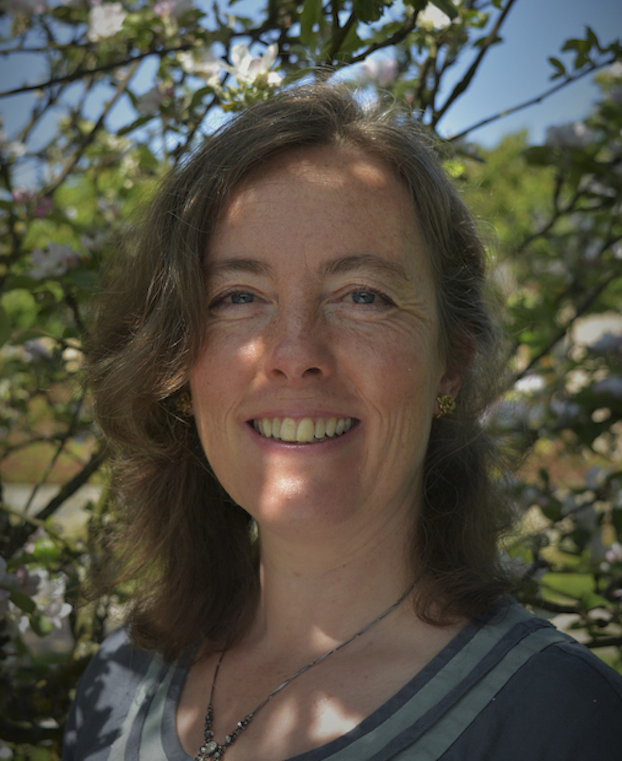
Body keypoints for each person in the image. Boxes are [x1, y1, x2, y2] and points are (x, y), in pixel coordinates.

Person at [64, 84, 622, 761]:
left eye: (363, 295)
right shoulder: (116, 689)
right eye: (238, 296)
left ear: (450, 363)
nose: (295, 354)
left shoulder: (562, 724)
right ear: (179, 366)